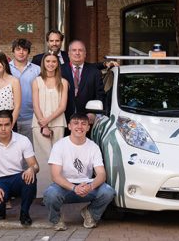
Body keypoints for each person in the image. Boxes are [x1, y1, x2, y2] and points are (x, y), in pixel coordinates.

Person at [43, 113, 116, 231]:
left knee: (108, 192)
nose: (80, 126)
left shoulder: (93, 147)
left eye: (83, 124)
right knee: (50, 194)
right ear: (69, 126)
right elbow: (55, 176)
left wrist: (90, 186)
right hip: (65, 187)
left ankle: (90, 213)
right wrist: (74, 188)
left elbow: (102, 174)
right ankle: (56, 219)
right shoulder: (59, 145)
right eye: (76, 123)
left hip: (86, 186)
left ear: (88, 127)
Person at [0, 110, 39, 225]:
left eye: (6, 125)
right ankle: (0, 209)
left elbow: (35, 165)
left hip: (16, 178)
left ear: (12, 125)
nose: (3, 128)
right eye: (0, 125)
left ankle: (24, 213)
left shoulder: (23, 140)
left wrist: (31, 169)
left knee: (31, 178)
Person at [33, 52, 69, 196]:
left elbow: (62, 106)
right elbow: (35, 105)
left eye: (53, 61)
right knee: (43, 158)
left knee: (57, 158)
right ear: (43, 63)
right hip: (39, 123)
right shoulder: (36, 81)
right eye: (47, 61)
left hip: (58, 123)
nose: (50, 64)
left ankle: (57, 191)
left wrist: (47, 121)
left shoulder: (63, 82)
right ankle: (44, 194)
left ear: (57, 64)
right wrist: (44, 125)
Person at [64, 40, 107, 122]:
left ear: (85, 54)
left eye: (80, 50)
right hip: (63, 119)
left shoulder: (94, 72)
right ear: (69, 54)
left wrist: (94, 113)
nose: (77, 53)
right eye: (74, 50)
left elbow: (100, 95)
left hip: (87, 120)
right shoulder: (60, 71)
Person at [9, 38, 41, 141]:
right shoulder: (6, 69)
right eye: (18, 49)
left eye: (25, 50)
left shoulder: (37, 70)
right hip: (10, 117)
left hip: (31, 117)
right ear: (13, 51)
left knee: (30, 148)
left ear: (28, 52)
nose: (21, 52)